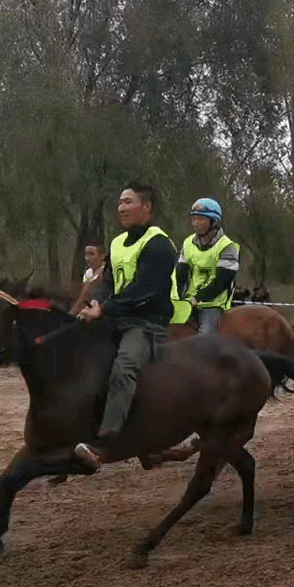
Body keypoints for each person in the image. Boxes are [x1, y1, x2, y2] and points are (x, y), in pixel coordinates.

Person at [75, 183, 177, 461]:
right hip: (115, 317)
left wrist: (103, 310)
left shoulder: (159, 245)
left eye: (128, 202)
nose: (121, 208)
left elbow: (144, 289)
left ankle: (106, 440)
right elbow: (107, 281)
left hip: (145, 323)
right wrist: (95, 302)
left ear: (146, 208)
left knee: (124, 367)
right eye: (120, 202)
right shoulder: (117, 243)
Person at [175, 198, 239, 334]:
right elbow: (180, 274)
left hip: (212, 304)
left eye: (200, 219)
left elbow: (221, 282)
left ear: (213, 222)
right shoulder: (187, 243)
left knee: (204, 340)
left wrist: (197, 298)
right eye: (193, 219)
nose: (195, 224)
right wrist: (178, 296)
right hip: (188, 301)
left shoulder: (227, 247)